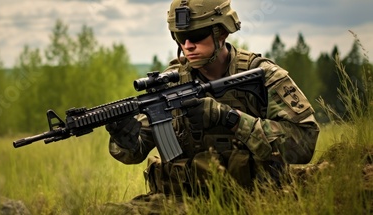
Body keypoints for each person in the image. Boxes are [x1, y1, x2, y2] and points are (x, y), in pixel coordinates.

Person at [106, 0, 320, 198]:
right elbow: (134, 153)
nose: (188, 45)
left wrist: (230, 118)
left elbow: (304, 143)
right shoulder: (172, 82)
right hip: (179, 200)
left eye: (197, 35)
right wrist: (123, 137)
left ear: (222, 32)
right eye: (180, 37)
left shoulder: (264, 75)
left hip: (255, 196)